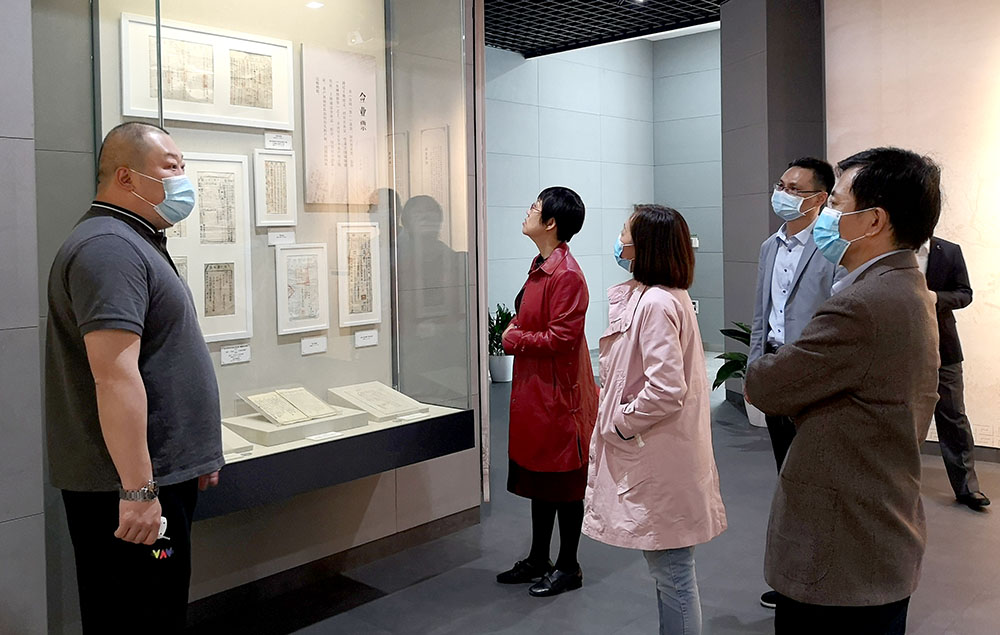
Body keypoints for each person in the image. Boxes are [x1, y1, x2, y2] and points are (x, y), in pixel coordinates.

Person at [745, 147, 942, 634]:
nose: (827, 216)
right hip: (873, 524)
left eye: (835, 203)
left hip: (840, 546)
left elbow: (766, 385)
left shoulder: (862, 304)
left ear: (873, 220)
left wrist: (773, 374)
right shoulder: (902, 285)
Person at [46, 121, 224, 633]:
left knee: (157, 601)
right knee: (139, 612)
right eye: (171, 167)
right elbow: (115, 377)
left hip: (161, 477)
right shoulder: (108, 248)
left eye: (183, 167)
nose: (182, 179)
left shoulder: (134, 240)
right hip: (131, 493)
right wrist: (140, 492)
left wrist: (193, 456)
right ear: (126, 177)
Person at [584, 205, 726, 635]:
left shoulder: (657, 303)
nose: (619, 242)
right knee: (670, 570)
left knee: (673, 572)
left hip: (659, 457)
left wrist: (621, 423)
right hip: (662, 453)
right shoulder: (659, 297)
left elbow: (665, 389)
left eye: (625, 234)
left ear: (644, 246)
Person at [497, 186, 598, 597]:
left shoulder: (567, 275)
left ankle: (568, 566)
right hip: (537, 391)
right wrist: (517, 332)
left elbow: (561, 338)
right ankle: (539, 557)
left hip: (559, 397)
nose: (528, 212)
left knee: (564, 486)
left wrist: (513, 338)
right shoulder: (541, 265)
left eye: (535, 207)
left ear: (551, 222)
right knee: (540, 481)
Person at [749, 157, 839, 610]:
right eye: (780, 185)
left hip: (817, 379)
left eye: (794, 189)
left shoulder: (834, 248)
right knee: (787, 480)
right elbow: (760, 315)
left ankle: (823, 580)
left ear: (820, 198)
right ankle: (794, 579)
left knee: (818, 484)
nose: (781, 195)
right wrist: (754, 369)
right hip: (776, 371)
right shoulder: (770, 246)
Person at [917, 237, 990, 509]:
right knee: (898, 416)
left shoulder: (948, 251)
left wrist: (936, 298)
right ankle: (894, 486)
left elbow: (965, 293)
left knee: (953, 417)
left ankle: (967, 488)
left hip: (944, 348)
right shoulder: (893, 247)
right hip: (900, 346)